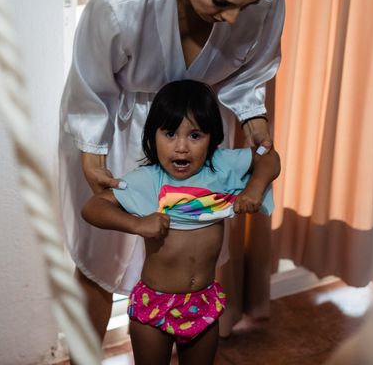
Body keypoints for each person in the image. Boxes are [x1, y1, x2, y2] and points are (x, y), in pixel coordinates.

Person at [59, 0, 285, 340]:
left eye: (248, 3)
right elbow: (90, 81)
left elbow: (250, 72)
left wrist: (253, 114)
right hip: (120, 125)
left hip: (199, 125)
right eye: (221, 1)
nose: (235, 16)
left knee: (187, 250)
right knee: (99, 264)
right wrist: (91, 153)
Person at [81, 80, 281, 364]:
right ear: (153, 136)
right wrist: (138, 225)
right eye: (170, 133)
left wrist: (254, 189)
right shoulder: (148, 180)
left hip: (202, 303)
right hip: (154, 307)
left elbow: (268, 158)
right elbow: (93, 207)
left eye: (195, 135)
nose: (182, 147)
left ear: (212, 138)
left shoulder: (222, 166)